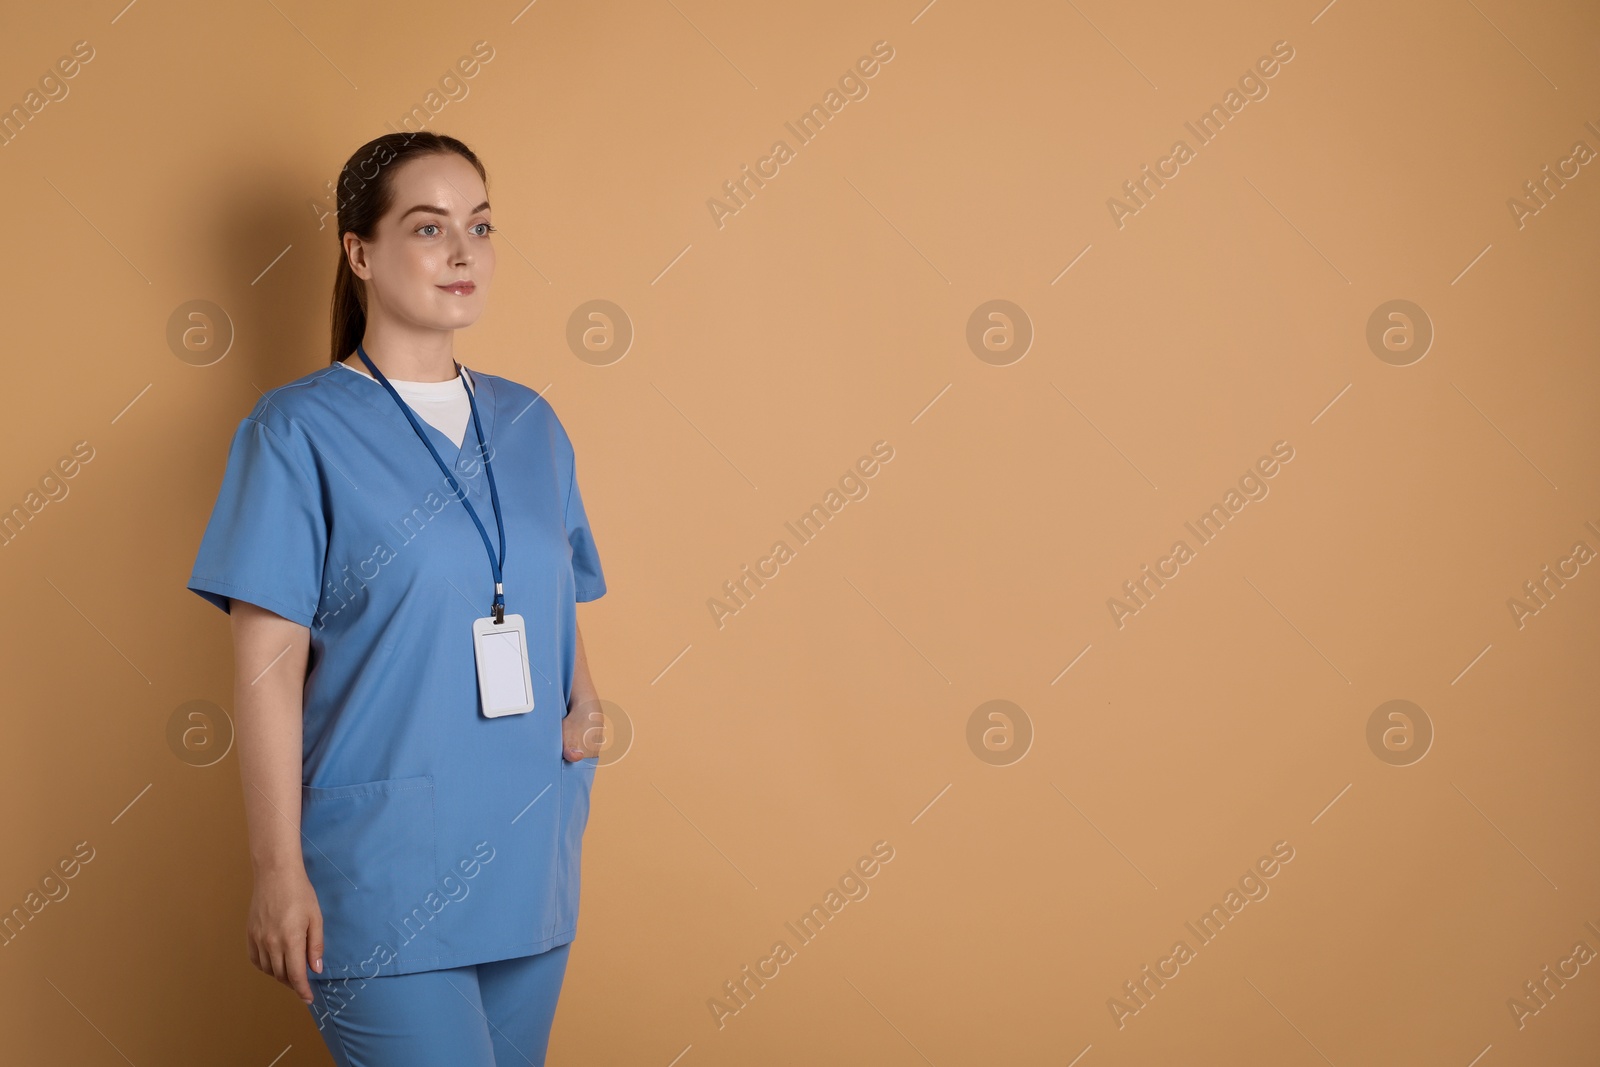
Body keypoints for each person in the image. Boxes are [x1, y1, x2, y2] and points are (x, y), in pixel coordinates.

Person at [186, 131, 608, 1066]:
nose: (464, 252)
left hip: (530, 851)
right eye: (429, 227)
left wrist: (586, 698)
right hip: (381, 875)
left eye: (481, 225)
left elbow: (552, 582)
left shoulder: (534, 422)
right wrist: (275, 870)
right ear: (361, 253)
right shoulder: (296, 431)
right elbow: (266, 677)